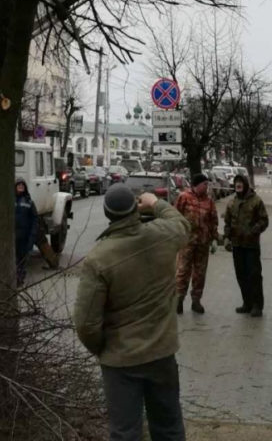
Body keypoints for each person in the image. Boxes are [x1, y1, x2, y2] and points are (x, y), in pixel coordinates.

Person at [73, 185, 190, 441]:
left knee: (125, 433)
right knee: (169, 427)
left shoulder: (99, 258)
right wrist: (154, 202)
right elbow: (181, 224)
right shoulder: (162, 235)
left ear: (108, 214)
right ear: (135, 209)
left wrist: (105, 348)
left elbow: (85, 323)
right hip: (162, 353)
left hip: (121, 361)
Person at [223, 173, 269, 317]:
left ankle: (257, 305)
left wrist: (254, 230)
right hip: (237, 245)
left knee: (254, 275)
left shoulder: (256, 201)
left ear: (245, 185)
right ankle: (247, 303)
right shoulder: (231, 203)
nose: (238, 186)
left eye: (240, 183)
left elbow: (264, 220)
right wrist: (226, 238)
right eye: (236, 184)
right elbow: (228, 223)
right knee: (241, 275)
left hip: (251, 245)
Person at [174, 173, 219, 314]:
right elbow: (175, 216)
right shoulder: (184, 197)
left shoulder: (209, 201)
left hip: (203, 243)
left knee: (200, 273)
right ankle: (178, 300)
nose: (207, 187)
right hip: (186, 242)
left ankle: (196, 301)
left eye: (207, 184)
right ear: (197, 185)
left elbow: (213, 221)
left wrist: (214, 239)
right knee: (183, 271)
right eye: (205, 184)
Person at [14, 178, 38, 287]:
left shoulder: (29, 202)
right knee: (14, 258)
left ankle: (20, 279)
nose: (20, 188)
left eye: (22, 186)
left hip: (24, 236)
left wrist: (32, 235)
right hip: (13, 235)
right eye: (18, 186)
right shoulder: (11, 200)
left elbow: (34, 219)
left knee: (22, 259)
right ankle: (14, 278)